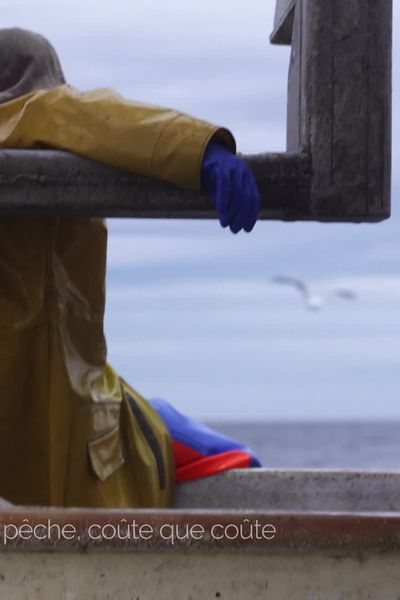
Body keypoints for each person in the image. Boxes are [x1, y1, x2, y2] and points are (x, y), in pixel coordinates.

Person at [0, 28, 260, 508]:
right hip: (79, 410)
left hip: (71, 400)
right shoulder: (40, 115)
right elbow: (85, 116)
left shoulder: (38, 130)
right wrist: (201, 151)